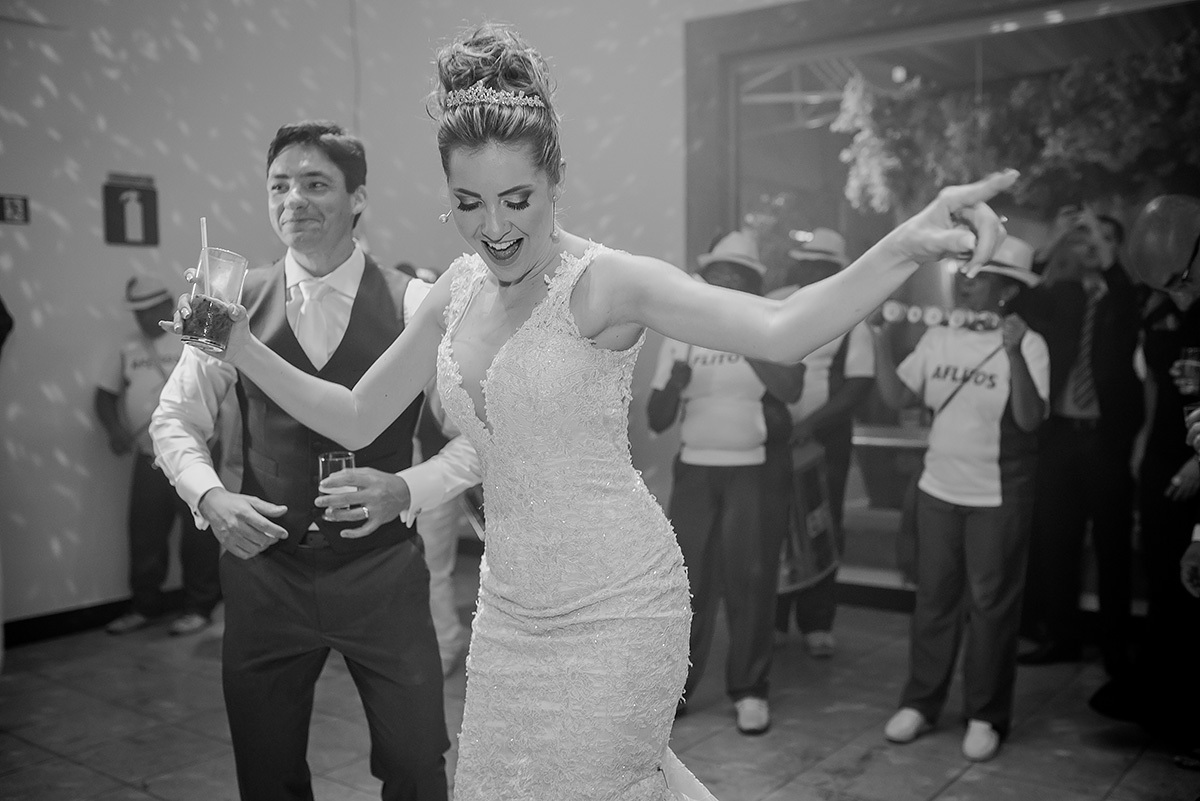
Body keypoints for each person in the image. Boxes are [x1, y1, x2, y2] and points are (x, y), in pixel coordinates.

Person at [163, 24, 1014, 800]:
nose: (495, 228)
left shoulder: (606, 284)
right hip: (508, 612)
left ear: (556, 181)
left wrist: (905, 244)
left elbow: (782, 330)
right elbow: (355, 415)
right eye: (469, 203)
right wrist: (238, 344)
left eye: (518, 199)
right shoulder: (456, 288)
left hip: (618, 604)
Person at [150, 120, 481, 801]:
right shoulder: (227, 306)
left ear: (358, 199)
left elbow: (479, 436)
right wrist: (210, 497)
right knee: (266, 772)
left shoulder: (414, 303)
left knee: (417, 762)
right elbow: (174, 418)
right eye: (279, 186)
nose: (293, 200)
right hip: (266, 574)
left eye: (315, 184)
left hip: (381, 573)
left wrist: (407, 488)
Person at [872, 236, 1049, 762]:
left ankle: (985, 714)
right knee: (934, 600)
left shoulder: (1031, 344)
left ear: (1006, 290)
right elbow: (897, 397)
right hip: (938, 489)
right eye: (966, 274)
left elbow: (1031, 420)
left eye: (981, 277)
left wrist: (1014, 353)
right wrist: (880, 340)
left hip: (997, 494)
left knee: (991, 607)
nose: (967, 283)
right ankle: (921, 703)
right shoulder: (939, 337)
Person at [645, 229, 805, 735]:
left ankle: (750, 689)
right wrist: (675, 384)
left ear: (751, 284)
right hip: (696, 471)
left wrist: (743, 338)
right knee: (688, 584)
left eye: (736, 277)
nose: (725, 283)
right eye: (717, 275)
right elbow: (656, 418)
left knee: (751, 580)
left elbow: (792, 388)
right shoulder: (681, 332)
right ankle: (677, 689)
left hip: (753, 472)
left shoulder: (770, 327)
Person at [1015, 209, 1143, 676]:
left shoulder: (1128, 297)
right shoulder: (1063, 295)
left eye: (1102, 238)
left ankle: (1115, 648)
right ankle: (1062, 638)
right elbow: (1021, 301)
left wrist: (1103, 247)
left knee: (1112, 546)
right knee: (1056, 542)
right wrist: (1055, 241)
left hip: (1107, 438)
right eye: (1084, 237)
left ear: (1116, 248)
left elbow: (1126, 297)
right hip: (1061, 435)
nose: (1090, 244)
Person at [96, 275, 223, 636]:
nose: (142, 318)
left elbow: (222, 382)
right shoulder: (127, 348)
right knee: (145, 533)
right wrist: (115, 431)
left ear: (167, 304)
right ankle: (145, 606)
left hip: (196, 454)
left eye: (149, 309)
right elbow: (104, 396)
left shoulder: (193, 337)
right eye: (136, 311)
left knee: (198, 534)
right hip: (149, 456)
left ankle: (200, 607)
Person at [770, 228, 876, 658]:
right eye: (807, 263)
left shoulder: (852, 315)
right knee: (775, 526)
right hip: (774, 438)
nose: (811, 272)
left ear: (836, 270)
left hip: (824, 443)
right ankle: (775, 619)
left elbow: (858, 386)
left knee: (821, 526)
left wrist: (811, 425)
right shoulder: (775, 303)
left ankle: (816, 622)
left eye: (821, 266)